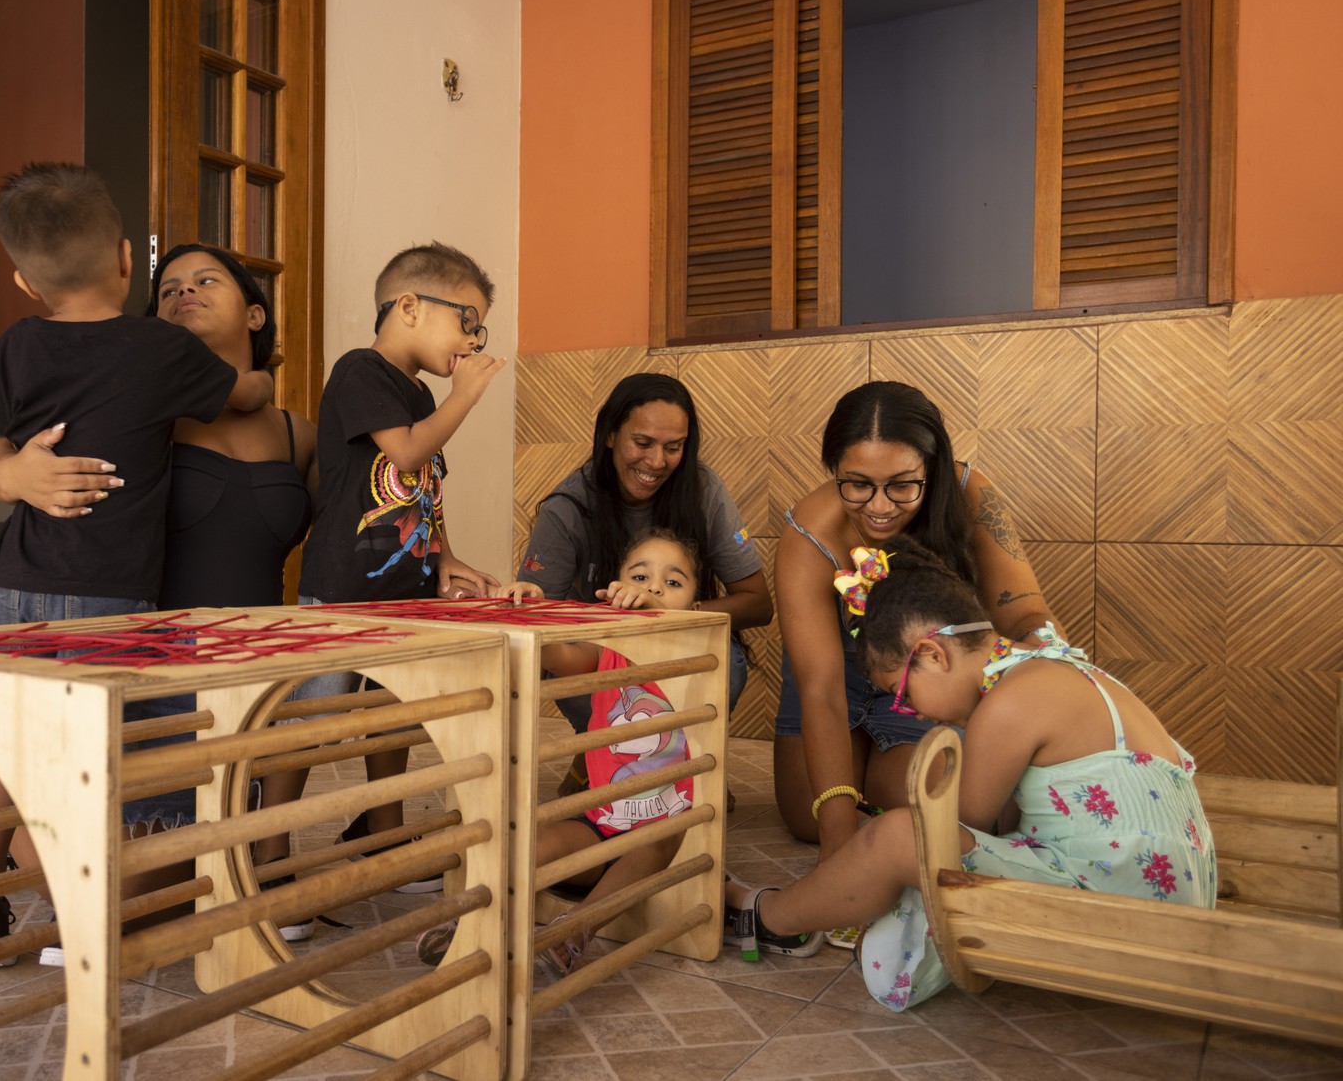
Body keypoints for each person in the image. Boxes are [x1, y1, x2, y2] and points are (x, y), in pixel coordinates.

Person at [0, 163, 274, 964]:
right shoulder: (159, 349)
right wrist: (261, 378)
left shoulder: (16, 343)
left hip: (18, 580)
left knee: (10, 733)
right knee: (87, 751)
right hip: (109, 596)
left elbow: (8, 436)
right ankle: (67, 908)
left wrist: (9, 471)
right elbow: (241, 395)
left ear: (22, 279)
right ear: (129, 259)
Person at [727, 541, 1216, 1011]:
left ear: (934, 654)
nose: (913, 714)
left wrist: (874, 847)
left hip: (1124, 904)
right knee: (906, 839)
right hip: (1168, 893)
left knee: (898, 835)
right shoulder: (1049, 664)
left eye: (902, 695)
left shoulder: (1008, 704)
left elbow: (956, 831)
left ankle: (767, 915)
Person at [422, 529, 801, 974]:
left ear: (698, 603)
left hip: (668, 830)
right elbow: (558, 655)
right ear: (615, 588)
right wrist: (533, 607)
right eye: (639, 577)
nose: (654, 588)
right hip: (603, 822)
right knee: (528, 842)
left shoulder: (702, 658)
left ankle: (576, 928)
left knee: (658, 839)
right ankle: (474, 923)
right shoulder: (606, 653)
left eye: (673, 583)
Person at [290, 240, 506, 892]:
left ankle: (382, 834)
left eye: (479, 328)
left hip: (405, 592)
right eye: (467, 320)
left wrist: (444, 558)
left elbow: (421, 491)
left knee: (392, 717)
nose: (472, 341)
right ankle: (266, 851)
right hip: (343, 589)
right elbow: (408, 455)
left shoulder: (417, 395)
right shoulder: (362, 371)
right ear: (409, 306)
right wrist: (465, 398)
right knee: (309, 725)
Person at [775, 381, 1060, 857]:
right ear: (834, 471)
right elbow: (821, 689)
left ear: (933, 467)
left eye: (903, 484)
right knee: (813, 816)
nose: (880, 507)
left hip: (924, 672)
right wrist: (839, 853)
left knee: (939, 806)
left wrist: (1047, 672)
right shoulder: (811, 533)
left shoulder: (970, 494)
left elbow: (1026, 613)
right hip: (838, 670)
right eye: (858, 484)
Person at [517, 373, 771, 796]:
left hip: (681, 648)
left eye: (673, 447)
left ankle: (683, 758)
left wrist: (672, 614)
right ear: (611, 434)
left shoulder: (702, 489)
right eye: (643, 443)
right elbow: (542, 626)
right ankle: (603, 754)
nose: (656, 462)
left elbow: (759, 603)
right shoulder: (568, 509)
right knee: (568, 667)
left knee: (729, 660)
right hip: (598, 655)